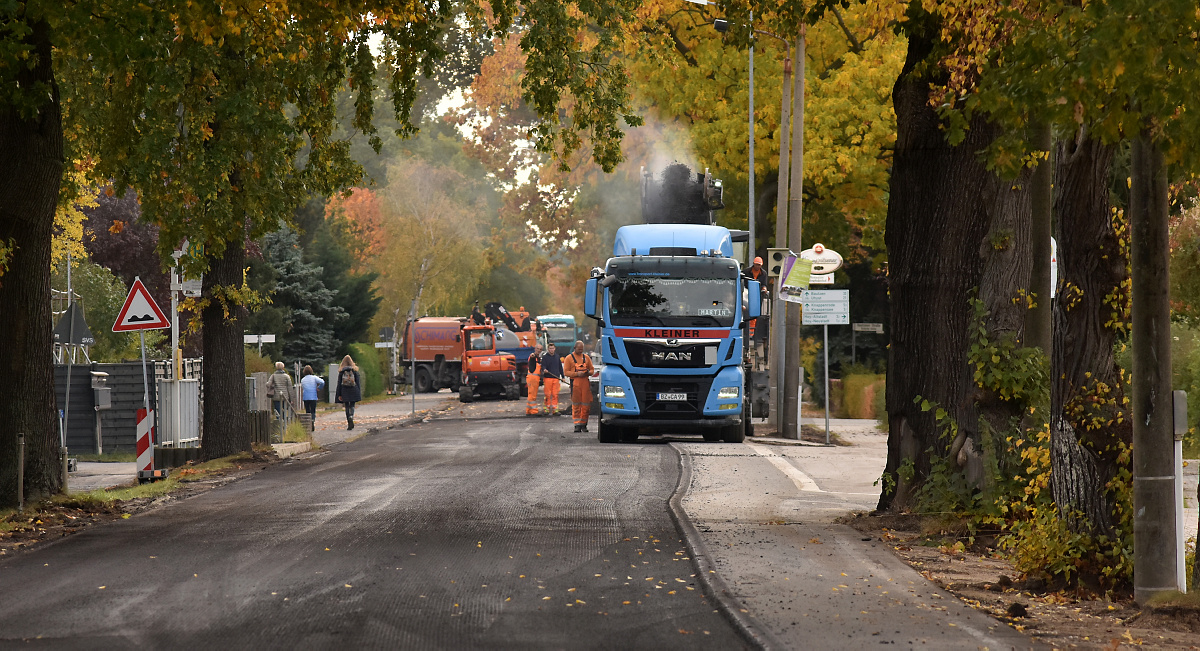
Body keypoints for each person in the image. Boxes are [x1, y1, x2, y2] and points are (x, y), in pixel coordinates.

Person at [563, 340, 595, 432]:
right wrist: (577, 374)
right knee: (576, 405)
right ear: (574, 348)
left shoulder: (586, 358)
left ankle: (584, 424)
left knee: (586, 405)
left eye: (582, 349)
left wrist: (588, 372)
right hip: (575, 385)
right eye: (579, 349)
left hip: (585, 384)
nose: (580, 351)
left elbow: (592, 370)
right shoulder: (569, 358)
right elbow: (566, 372)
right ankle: (577, 425)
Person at [334, 355, 362, 430]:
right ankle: (351, 416)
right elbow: (358, 382)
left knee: (346, 405)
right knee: (352, 404)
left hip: (344, 389)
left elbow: (339, 383)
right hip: (353, 389)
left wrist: (339, 394)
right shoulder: (355, 371)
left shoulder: (341, 372)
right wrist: (358, 392)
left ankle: (348, 421)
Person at [539, 342, 564, 416]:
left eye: (552, 348)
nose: (551, 350)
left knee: (555, 394)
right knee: (547, 394)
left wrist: (562, 377)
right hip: (548, 378)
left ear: (554, 349)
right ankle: (546, 409)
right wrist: (544, 369)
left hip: (556, 378)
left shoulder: (557, 357)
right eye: (550, 348)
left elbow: (560, 367)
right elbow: (543, 366)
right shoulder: (545, 357)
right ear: (548, 349)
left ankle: (555, 409)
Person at [525, 343, 543, 415]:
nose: (539, 350)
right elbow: (531, 357)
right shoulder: (533, 356)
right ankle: (534, 411)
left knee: (531, 394)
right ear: (535, 349)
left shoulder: (538, 358)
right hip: (533, 378)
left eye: (540, 349)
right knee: (533, 395)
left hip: (534, 378)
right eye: (537, 349)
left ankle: (529, 410)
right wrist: (533, 356)